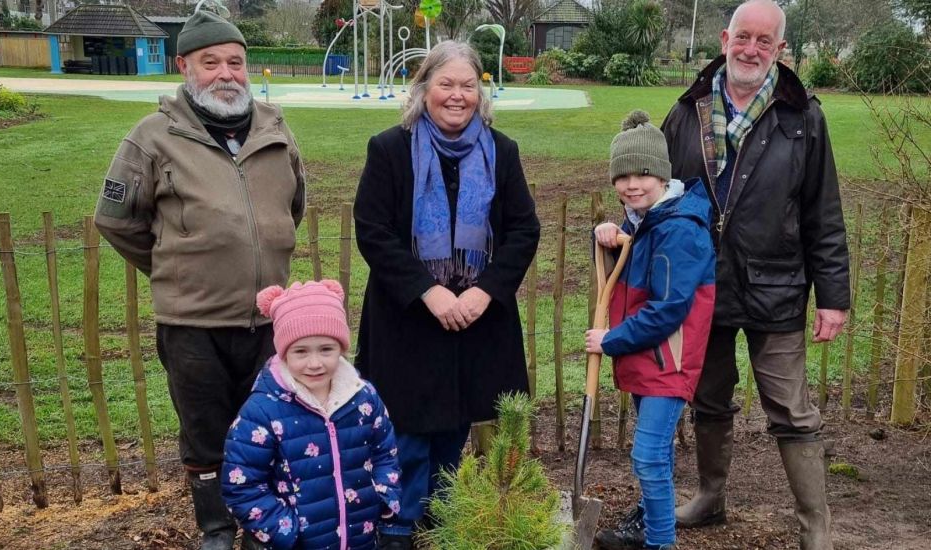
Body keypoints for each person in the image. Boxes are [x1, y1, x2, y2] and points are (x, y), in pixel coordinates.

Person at [93, 4, 307, 548]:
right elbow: (115, 220)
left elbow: (293, 206)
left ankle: (263, 525)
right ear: (184, 65)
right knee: (205, 431)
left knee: (268, 428)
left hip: (268, 321)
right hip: (192, 324)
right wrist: (174, 264)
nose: (225, 74)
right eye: (210, 62)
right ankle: (215, 528)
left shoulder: (276, 129)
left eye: (235, 61)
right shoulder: (153, 136)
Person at [661, 1, 850, 549]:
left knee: (792, 411)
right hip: (703, 284)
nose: (751, 50)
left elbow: (824, 212)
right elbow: (663, 194)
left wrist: (833, 298)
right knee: (709, 397)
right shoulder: (688, 108)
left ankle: (816, 526)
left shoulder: (802, 116)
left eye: (764, 42)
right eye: (743, 37)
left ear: (779, 50)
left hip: (777, 285)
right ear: (725, 38)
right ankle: (710, 497)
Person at [352, 40, 540, 549]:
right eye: (445, 84)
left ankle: (440, 521)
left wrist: (486, 292)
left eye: (468, 85)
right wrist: (428, 291)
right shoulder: (390, 148)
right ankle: (397, 527)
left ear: (481, 92)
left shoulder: (502, 152)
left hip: (475, 321)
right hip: (408, 319)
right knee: (406, 433)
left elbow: (524, 229)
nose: (457, 96)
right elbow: (373, 230)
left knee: (454, 427)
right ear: (424, 89)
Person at [584, 111, 716, 550]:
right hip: (649, 360)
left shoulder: (680, 230)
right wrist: (611, 231)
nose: (631, 184)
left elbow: (668, 310)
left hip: (669, 360)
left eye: (643, 173)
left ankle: (661, 542)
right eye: (622, 175)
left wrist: (611, 340)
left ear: (662, 174)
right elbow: (630, 249)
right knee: (656, 454)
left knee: (646, 456)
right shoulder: (645, 220)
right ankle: (648, 523)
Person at [221, 280, 402, 549]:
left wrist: (383, 497)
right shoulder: (262, 412)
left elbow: (385, 453)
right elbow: (242, 485)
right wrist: (285, 529)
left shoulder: (364, 398)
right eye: (301, 351)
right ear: (283, 353)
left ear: (341, 348)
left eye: (326, 349)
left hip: (360, 537)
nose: (315, 363)